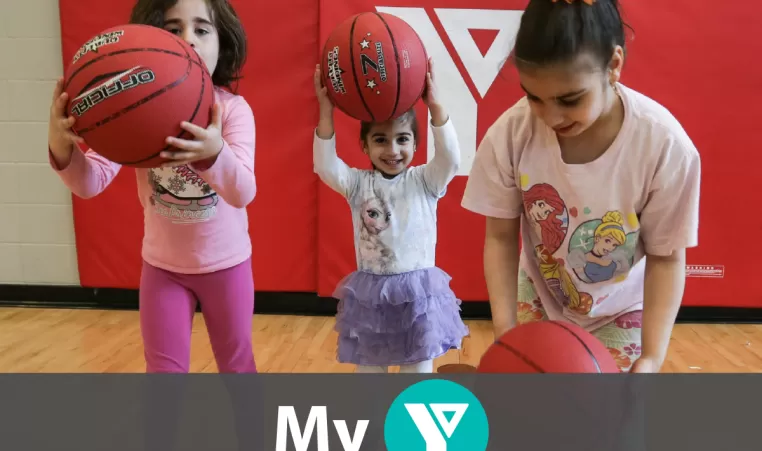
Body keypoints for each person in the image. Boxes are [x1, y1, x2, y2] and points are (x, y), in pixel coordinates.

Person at [461, 0, 701, 373]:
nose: (551, 116)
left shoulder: (665, 147)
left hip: (620, 308)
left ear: (614, 65)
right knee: (532, 416)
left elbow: (667, 259)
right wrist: (505, 331)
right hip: (539, 292)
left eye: (570, 99)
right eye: (533, 97)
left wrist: (651, 357)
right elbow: (501, 239)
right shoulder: (510, 135)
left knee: (612, 421)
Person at [47, 0, 257, 374]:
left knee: (238, 367)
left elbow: (242, 192)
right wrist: (62, 146)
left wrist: (213, 152)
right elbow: (89, 181)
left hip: (227, 266)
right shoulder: (135, 109)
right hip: (163, 270)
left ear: (222, 42)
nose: (188, 40)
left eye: (202, 29)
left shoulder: (233, 111)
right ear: (150, 38)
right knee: (162, 376)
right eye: (173, 29)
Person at [312, 59, 470, 373]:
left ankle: (411, 423)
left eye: (402, 139)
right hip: (373, 299)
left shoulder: (425, 181)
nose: (393, 149)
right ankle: (373, 421)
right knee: (370, 376)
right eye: (380, 140)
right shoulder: (357, 184)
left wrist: (435, 105)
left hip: (418, 297)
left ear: (415, 143)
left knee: (417, 377)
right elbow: (326, 166)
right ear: (364, 145)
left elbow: (451, 157)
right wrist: (326, 110)